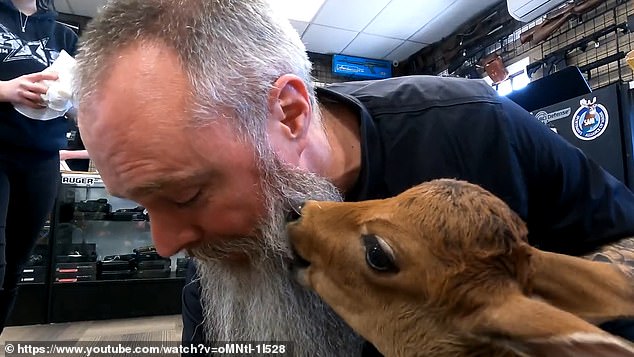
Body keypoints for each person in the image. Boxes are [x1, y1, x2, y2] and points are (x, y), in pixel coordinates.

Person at [73, 0, 634, 355]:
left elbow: (622, 237)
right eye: (141, 206)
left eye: (186, 195)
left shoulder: (475, 127)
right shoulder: (221, 264)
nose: (167, 243)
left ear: (290, 113)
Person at [0, 0, 77, 333]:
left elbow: (79, 105)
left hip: (42, 159)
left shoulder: (64, 36)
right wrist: (7, 90)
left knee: (15, 264)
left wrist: (69, 100)